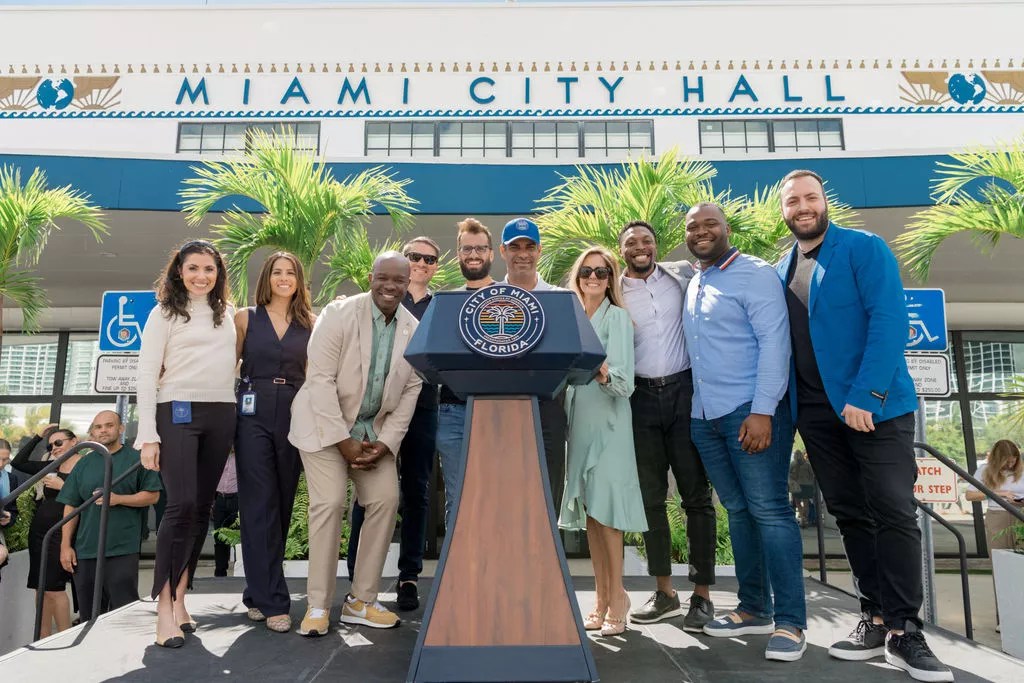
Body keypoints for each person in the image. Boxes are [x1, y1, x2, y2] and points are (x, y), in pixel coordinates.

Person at [776, 169, 952, 681]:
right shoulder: (780, 266)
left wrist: (866, 396)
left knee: (893, 512)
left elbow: (889, 320)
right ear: (784, 210)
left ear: (824, 202)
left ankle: (906, 632)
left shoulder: (863, 248)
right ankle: (873, 618)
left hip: (874, 407)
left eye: (811, 197)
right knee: (850, 514)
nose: (803, 207)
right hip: (816, 413)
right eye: (793, 201)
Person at [681, 203, 807, 661]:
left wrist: (763, 411)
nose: (701, 231)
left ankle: (792, 623)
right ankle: (755, 608)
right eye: (693, 226)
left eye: (710, 224)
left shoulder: (754, 273)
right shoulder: (697, 278)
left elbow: (776, 343)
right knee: (737, 511)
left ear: (726, 229)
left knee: (770, 511)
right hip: (706, 416)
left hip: (748, 414)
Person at [288, 252, 422, 635]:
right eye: (384, 278)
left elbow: (411, 391)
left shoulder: (413, 329)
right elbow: (320, 379)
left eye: (399, 280)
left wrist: (386, 443)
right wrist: (343, 440)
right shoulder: (339, 314)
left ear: (408, 282)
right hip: (322, 428)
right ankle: (317, 606)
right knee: (329, 504)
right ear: (371, 277)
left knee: (385, 500)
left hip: (372, 436)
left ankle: (361, 601)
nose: (391, 286)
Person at [137, 239, 237, 649]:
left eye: (209, 269)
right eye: (193, 268)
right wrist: (147, 435)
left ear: (219, 274)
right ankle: (162, 607)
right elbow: (145, 374)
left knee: (202, 509)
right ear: (179, 270)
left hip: (222, 413)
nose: (201, 276)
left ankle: (180, 597)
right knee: (178, 507)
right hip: (176, 409)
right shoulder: (163, 313)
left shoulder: (229, 314)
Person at [618, 219, 717, 631]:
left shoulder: (681, 276)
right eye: (632, 243)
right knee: (650, 499)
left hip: (685, 393)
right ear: (620, 249)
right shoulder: (614, 289)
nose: (640, 247)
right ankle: (665, 592)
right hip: (638, 399)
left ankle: (702, 596)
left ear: (656, 246)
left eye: (647, 241)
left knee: (696, 496)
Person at [348, 237, 440, 612]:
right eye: (413, 256)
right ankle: (357, 574)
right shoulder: (381, 298)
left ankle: (408, 577)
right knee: (366, 491)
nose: (420, 262)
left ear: (436, 265)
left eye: (428, 258)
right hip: (376, 413)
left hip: (422, 408)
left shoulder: (440, 307)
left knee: (417, 491)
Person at [561, 246, 648, 637]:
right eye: (586, 271)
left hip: (610, 426)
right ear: (577, 276)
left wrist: (595, 367)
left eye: (601, 272)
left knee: (609, 519)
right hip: (578, 426)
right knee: (593, 520)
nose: (593, 277)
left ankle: (618, 598)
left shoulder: (618, 319)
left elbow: (624, 383)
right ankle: (599, 599)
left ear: (611, 279)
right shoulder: (571, 318)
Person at [233, 250, 313, 633]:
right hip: (252, 413)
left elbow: (316, 376)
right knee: (259, 502)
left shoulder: (311, 323)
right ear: (267, 277)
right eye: (277, 272)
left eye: (291, 272)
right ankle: (273, 602)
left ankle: (255, 592)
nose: (284, 278)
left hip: (295, 414)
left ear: (299, 280)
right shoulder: (245, 318)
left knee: (280, 504)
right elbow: (227, 369)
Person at [58, 411, 161, 624]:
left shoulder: (136, 459)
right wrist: (65, 545)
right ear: (92, 431)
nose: (103, 430)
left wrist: (118, 499)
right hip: (85, 550)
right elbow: (71, 506)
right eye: (98, 427)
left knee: (123, 613)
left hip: (122, 548)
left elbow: (153, 495)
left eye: (109, 425)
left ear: (120, 428)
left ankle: (122, 656)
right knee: (89, 616)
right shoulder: (84, 463)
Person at [499, 217, 567, 512]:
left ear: (539, 250)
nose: (522, 253)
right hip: (500, 406)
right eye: (515, 246)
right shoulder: (489, 299)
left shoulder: (561, 300)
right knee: (505, 490)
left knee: (548, 490)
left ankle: (546, 557)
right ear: (503, 251)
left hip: (549, 406)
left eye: (529, 246)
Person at [436, 218, 496, 526]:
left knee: (499, 496)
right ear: (459, 253)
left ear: (491, 254)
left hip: (500, 411)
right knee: (458, 502)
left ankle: (495, 572)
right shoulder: (445, 303)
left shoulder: (510, 300)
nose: (473, 254)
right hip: (453, 413)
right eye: (467, 248)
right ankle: (460, 575)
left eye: (479, 248)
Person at [10, 426, 81, 637]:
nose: (55, 448)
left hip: (61, 533)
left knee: (55, 588)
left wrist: (62, 486)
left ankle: (64, 637)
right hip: (40, 531)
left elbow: (89, 496)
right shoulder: (53, 464)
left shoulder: (85, 466)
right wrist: (38, 437)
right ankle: (42, 637)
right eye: (51, 445)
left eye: (59, 443)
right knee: (39, 588)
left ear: (74, 441)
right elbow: (18, 463)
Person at [966, 439, 1024, 630]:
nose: (1010, 465)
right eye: (1007, 461)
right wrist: (998, 493)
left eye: (1013, 460)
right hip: (997, 517)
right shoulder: (984, 470)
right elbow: (970, 495)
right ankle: (1005, 618)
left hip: (1020, 515)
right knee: (1001, 567)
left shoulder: (1021, 470)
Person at [211, 452, 238, 579]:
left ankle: (241, 570)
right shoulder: (218, 455)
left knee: (238, 537)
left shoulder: (242, 456)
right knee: (219, 536)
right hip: (220, 498)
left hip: (237, 499)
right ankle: (220, 572)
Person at [788, 450, 816, 527]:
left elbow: (789, 474)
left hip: (797, 486)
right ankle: (805, 518)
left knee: (798, 503)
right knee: (806, 503)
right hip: (807, 485)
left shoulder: (793, 464)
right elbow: (812, 475)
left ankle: (802, 518)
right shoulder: (807, 464)